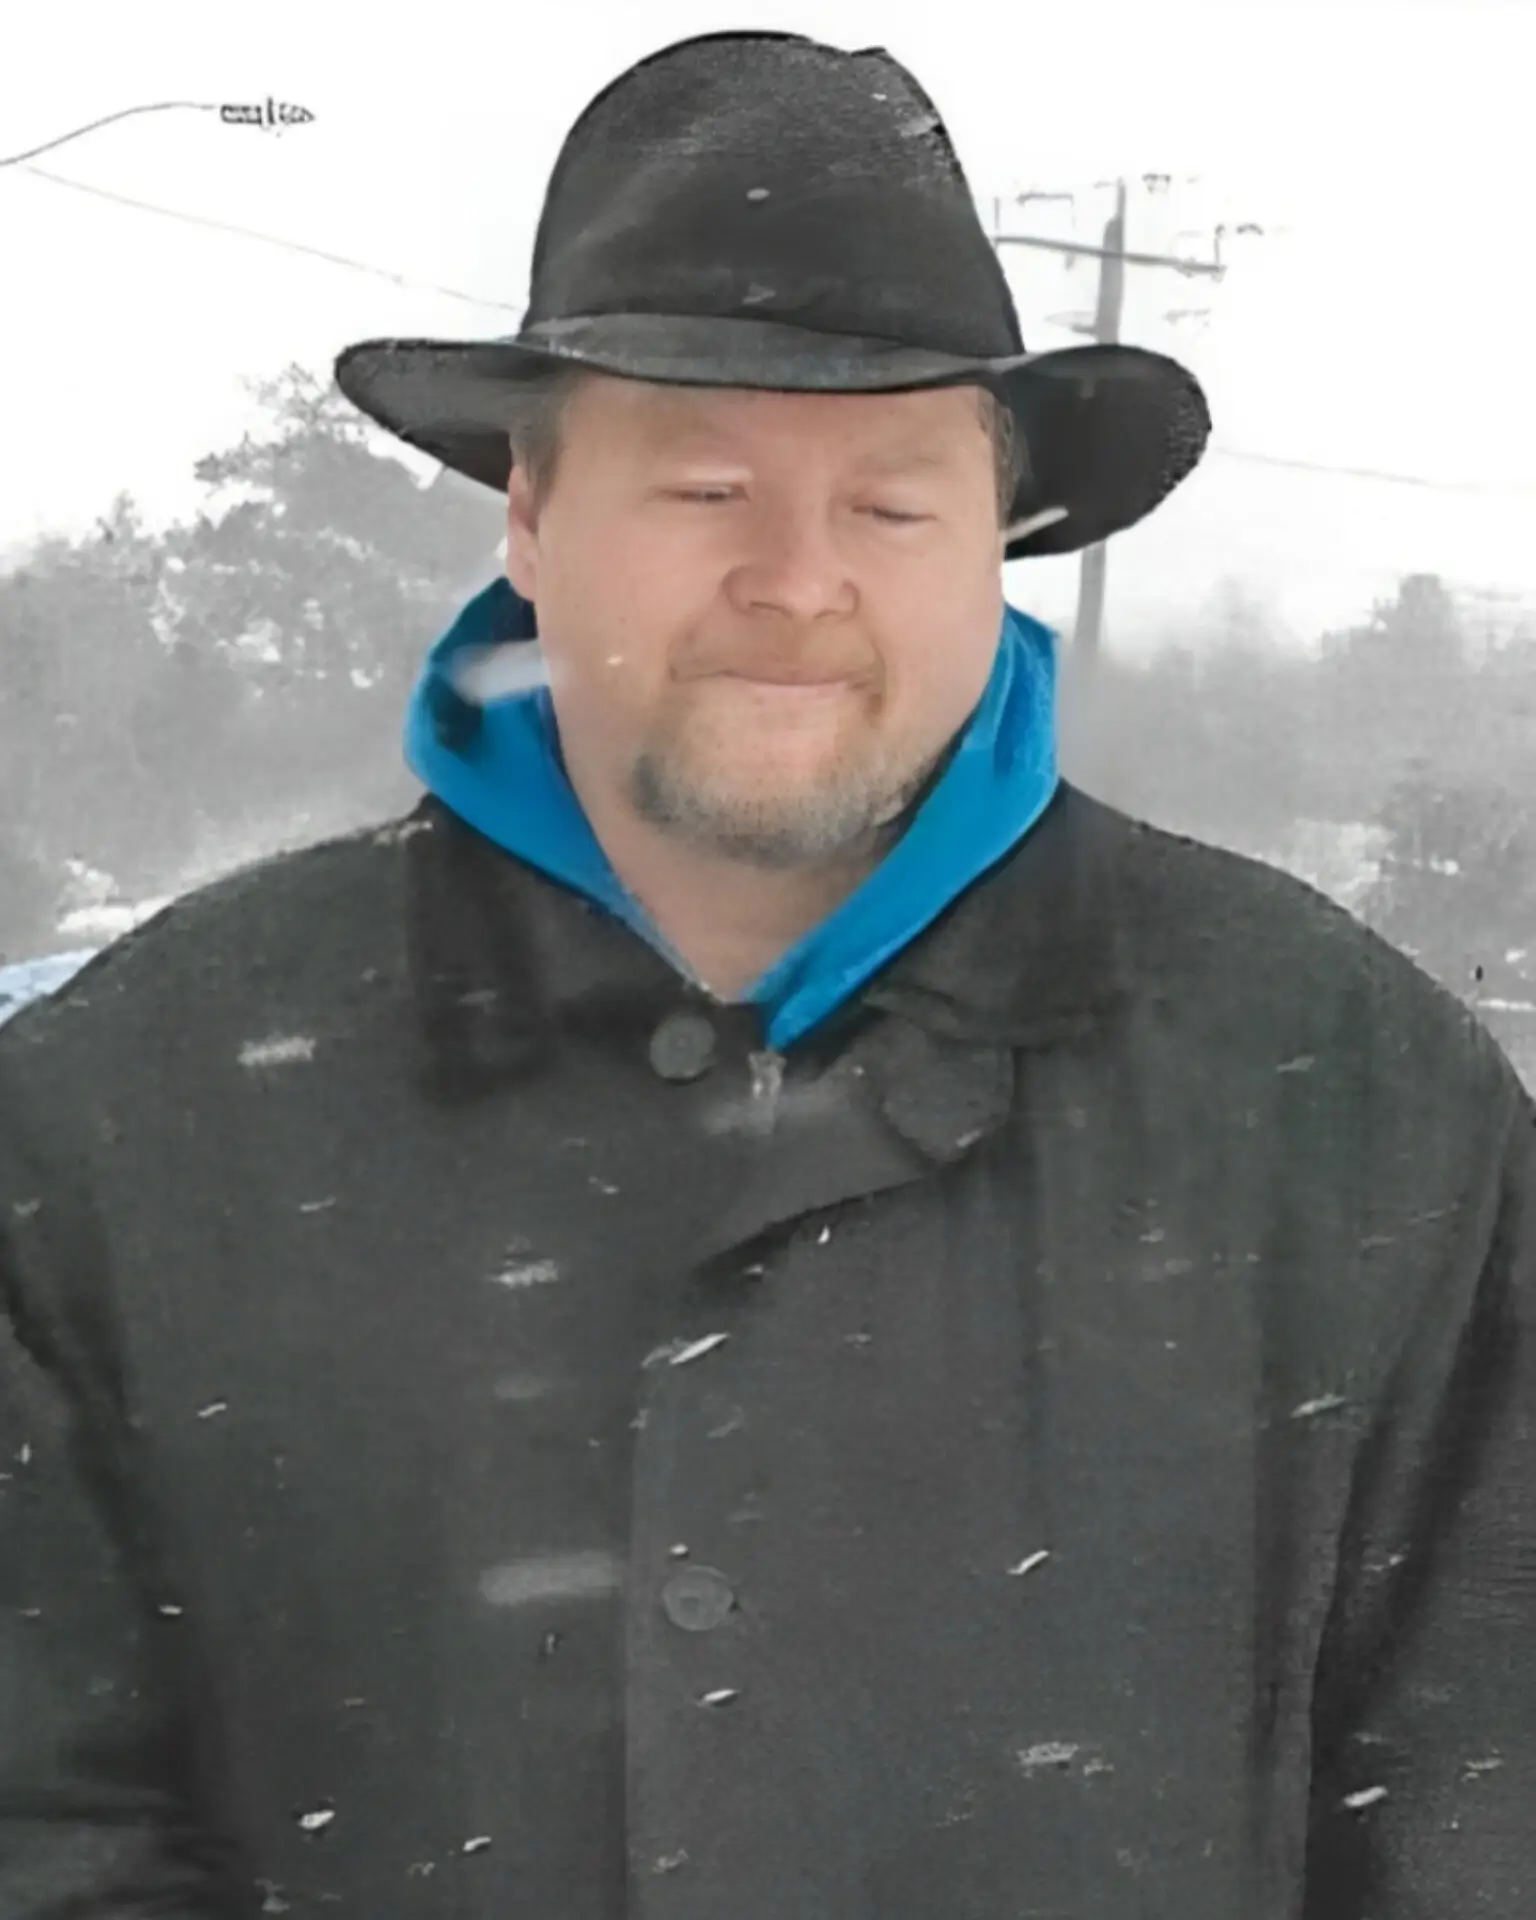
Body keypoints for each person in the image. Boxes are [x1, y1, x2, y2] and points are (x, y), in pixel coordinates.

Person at [1, 27, 1531, 1920]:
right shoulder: (119, 1124)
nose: (800, 577)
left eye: (892, 503)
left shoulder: (1364, 1117)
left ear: (996, 547)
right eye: (706, 486)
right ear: (531, 515)